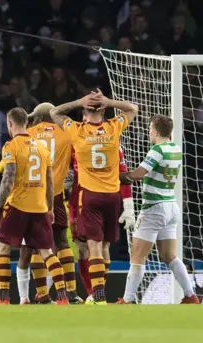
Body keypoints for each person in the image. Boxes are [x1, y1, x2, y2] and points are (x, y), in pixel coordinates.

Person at [50, 89, 138, 305]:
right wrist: (107, 101)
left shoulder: (77, 131)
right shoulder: (113, 127)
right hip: (112, 196)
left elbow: (54, 112)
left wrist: (80, 100)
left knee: (94, 246)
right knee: (105, 246)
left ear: (84, 112)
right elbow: (133, 108)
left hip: (89, 195)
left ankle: (97, 295)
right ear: (104, 110)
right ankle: (96, 293)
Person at [117, 115, 199, 304]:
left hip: (154, 207)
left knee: (137, 256)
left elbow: (138, 174)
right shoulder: (175, 148)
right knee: (168, 255)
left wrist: (119, 176)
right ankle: (190, 295)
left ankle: (127, 300)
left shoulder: (157, 150)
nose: (148, 132)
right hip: (171, 206)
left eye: (149, 128)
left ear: (155, 130)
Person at [0, 107, 69, 306]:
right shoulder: (42, 147)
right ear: (26, 122)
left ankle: (4, 298)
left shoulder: (11, 146)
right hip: (40, 206)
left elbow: (8, 179)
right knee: (47, 252)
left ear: (10, 124)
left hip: (17, 205)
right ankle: (62, 298)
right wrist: (50, 207)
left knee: (4, 248)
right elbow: (50, 181)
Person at [12, 102, 81, 304]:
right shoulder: (67, 134)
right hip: (56, 194)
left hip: (31, 195)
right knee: (62, 242)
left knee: (35, 246)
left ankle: (42, 293)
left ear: (39, 118)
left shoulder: (28, 133)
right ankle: (71, 292)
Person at [71, 144, 135, 304]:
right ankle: (92, 293)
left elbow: (123, 172)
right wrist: (128, 204)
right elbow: (124, 174)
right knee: (87, 247)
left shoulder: (78, 139)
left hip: (86, 198)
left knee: (96, 245)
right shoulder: (113, 142)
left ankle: (95, 293)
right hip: (92, 197)